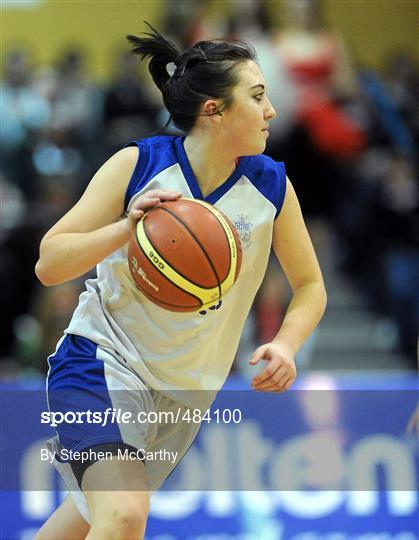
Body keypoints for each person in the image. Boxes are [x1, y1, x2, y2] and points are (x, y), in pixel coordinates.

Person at [34, 23, 327, 540]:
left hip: (184, 392)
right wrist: (126, 229)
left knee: (87, 520)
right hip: (103, 361)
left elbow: (310, 286)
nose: (271, 110)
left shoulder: (271, 186)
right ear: (214, 110)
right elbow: (50, 263)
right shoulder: (139, 164)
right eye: (257, 97)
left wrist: (285, 344)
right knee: (123, 515)